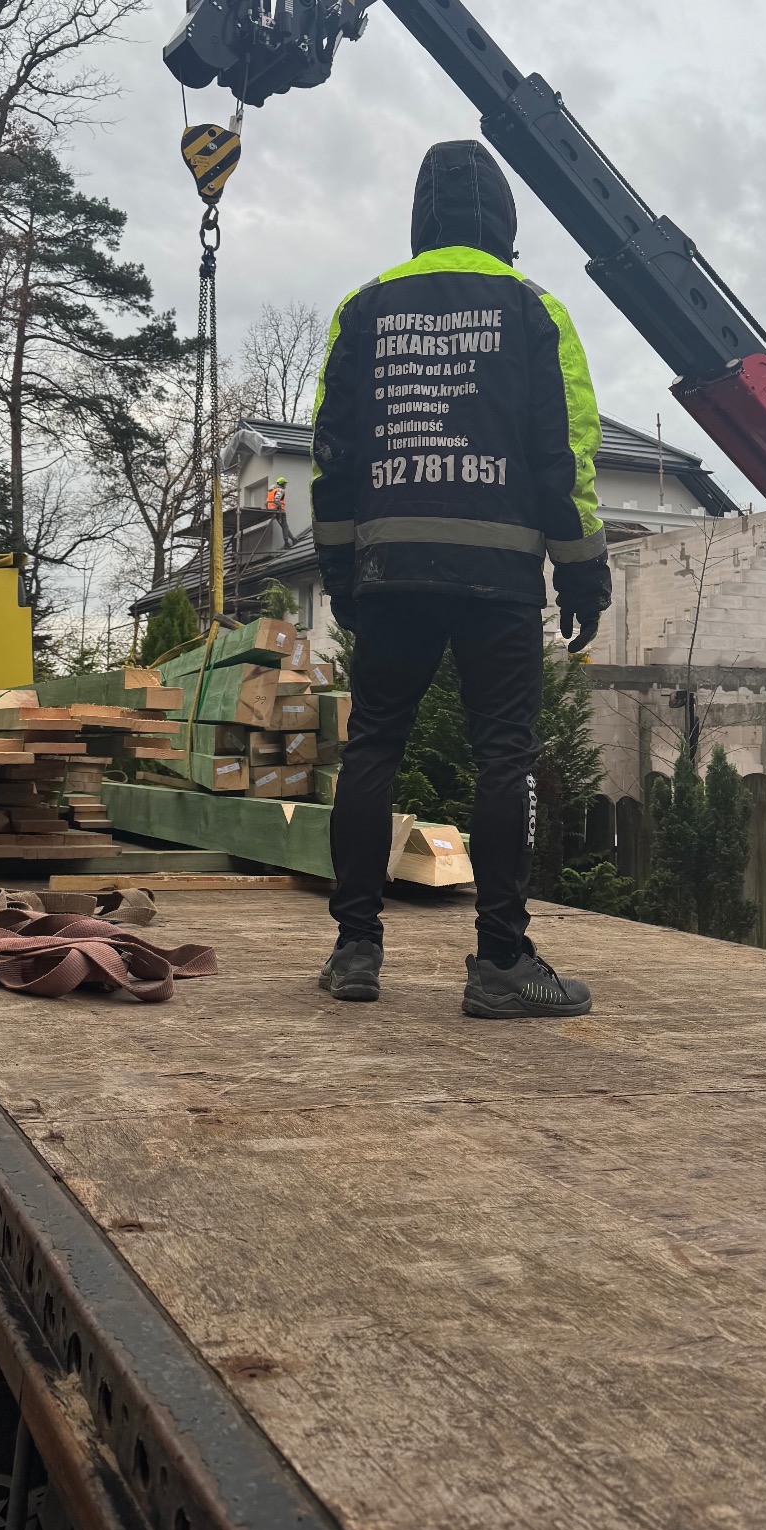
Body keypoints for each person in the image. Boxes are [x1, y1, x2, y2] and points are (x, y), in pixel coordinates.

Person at [311, 138, 610, 1019]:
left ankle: (354, 950)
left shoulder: (362, 309)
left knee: (372, 748)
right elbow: (566, 457)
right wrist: (582, 574)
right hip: (498, 578)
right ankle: (501, 964)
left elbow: (333, 453)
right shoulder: (534, 310)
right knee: (503, 756)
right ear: (505, 224)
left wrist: (339, 569)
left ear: (419, 220)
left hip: (391, 573)